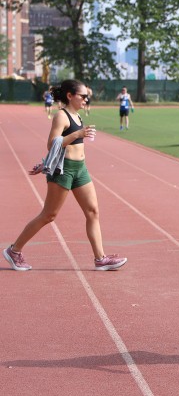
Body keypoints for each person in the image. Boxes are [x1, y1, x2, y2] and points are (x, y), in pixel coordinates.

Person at [4, 79, 128, 273]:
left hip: (80, 169)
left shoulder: (77, 116)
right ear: (70, 96)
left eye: (87, 96)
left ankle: (100, 259)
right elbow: (52, 143)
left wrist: (46, 161)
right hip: (64, 171)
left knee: (93, 211)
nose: (86, 99)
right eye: (83, 96)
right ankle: (14, 250)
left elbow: (66, 147)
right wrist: (77, 134)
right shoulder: (61, 116)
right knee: (49, 215)